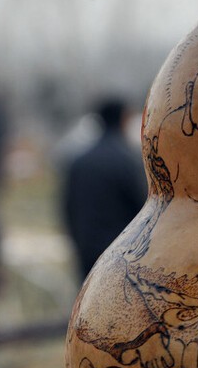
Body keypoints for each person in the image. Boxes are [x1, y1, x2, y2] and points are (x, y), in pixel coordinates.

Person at [61, 98, 147, 282]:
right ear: (124, 119)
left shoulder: (79, 161)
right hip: (121, 253)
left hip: (87, 248)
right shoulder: (128, 161)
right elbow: (143, 210)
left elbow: (68, 206)